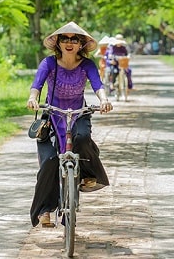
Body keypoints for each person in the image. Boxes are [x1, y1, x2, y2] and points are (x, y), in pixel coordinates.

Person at [26, 21, 113, 228]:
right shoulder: (49, 63)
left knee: (82, 138)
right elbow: (37, 85)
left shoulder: (87, 65)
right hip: (52, 115)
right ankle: (45, 210)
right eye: (65, 38)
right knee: (49, 161)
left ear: (81, 44)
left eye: (75, 39)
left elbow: (97, 85)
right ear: (58, 42)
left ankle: (87, 175)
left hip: (78, 113)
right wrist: (32, 98)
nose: (69, 43)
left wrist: (103, 100)